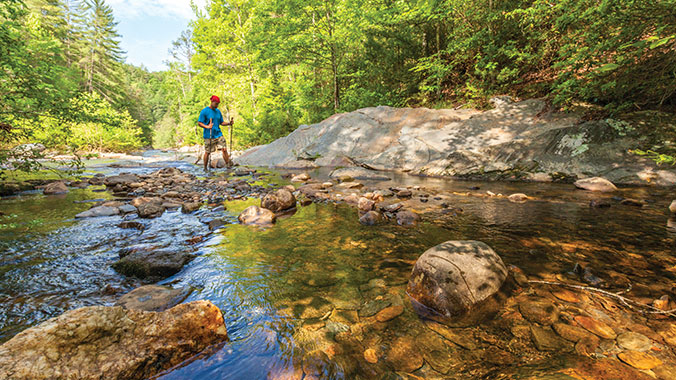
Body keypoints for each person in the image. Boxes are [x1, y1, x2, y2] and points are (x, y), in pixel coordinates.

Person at [198, 95, 234, 171]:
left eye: (218, 103)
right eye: (216, 103)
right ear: (212, 102)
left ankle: (228, 166)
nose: (217, 105)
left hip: (218, 134)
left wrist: (228, 123)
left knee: (224, 149)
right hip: (209, 135)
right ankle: (205, 168)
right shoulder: (204, 111)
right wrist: (207, 127)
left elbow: (221, 122)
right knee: (208, 152)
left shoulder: (218, 111)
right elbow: (199, 123)